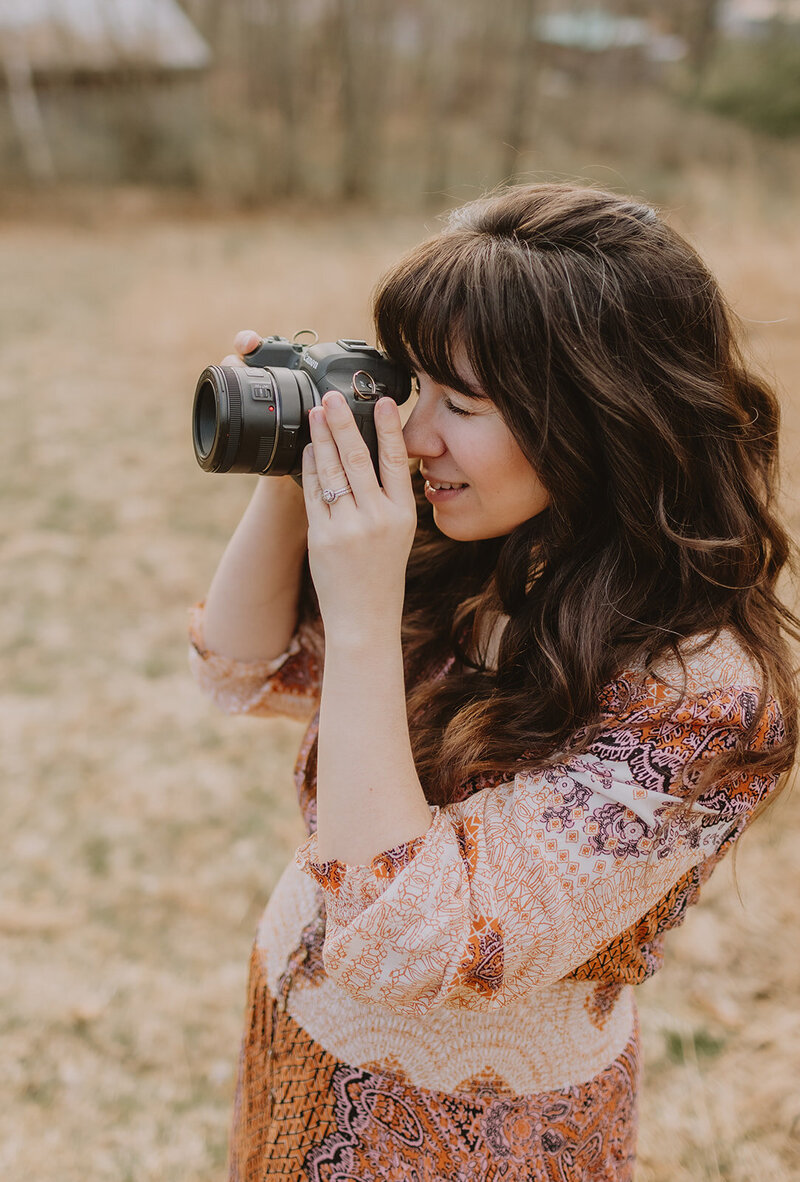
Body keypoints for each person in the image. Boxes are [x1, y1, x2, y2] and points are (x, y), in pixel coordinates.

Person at [188, 184, 798, 1181]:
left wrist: (359, 605)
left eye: (459, 406)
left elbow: (409, 949)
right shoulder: (485, 546)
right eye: (410, 384)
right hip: (303, 1054)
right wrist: (289, 468)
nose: (413, 435)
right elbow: (236, 665)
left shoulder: (700, 696)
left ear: (601, 418)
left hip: (483, 1136)